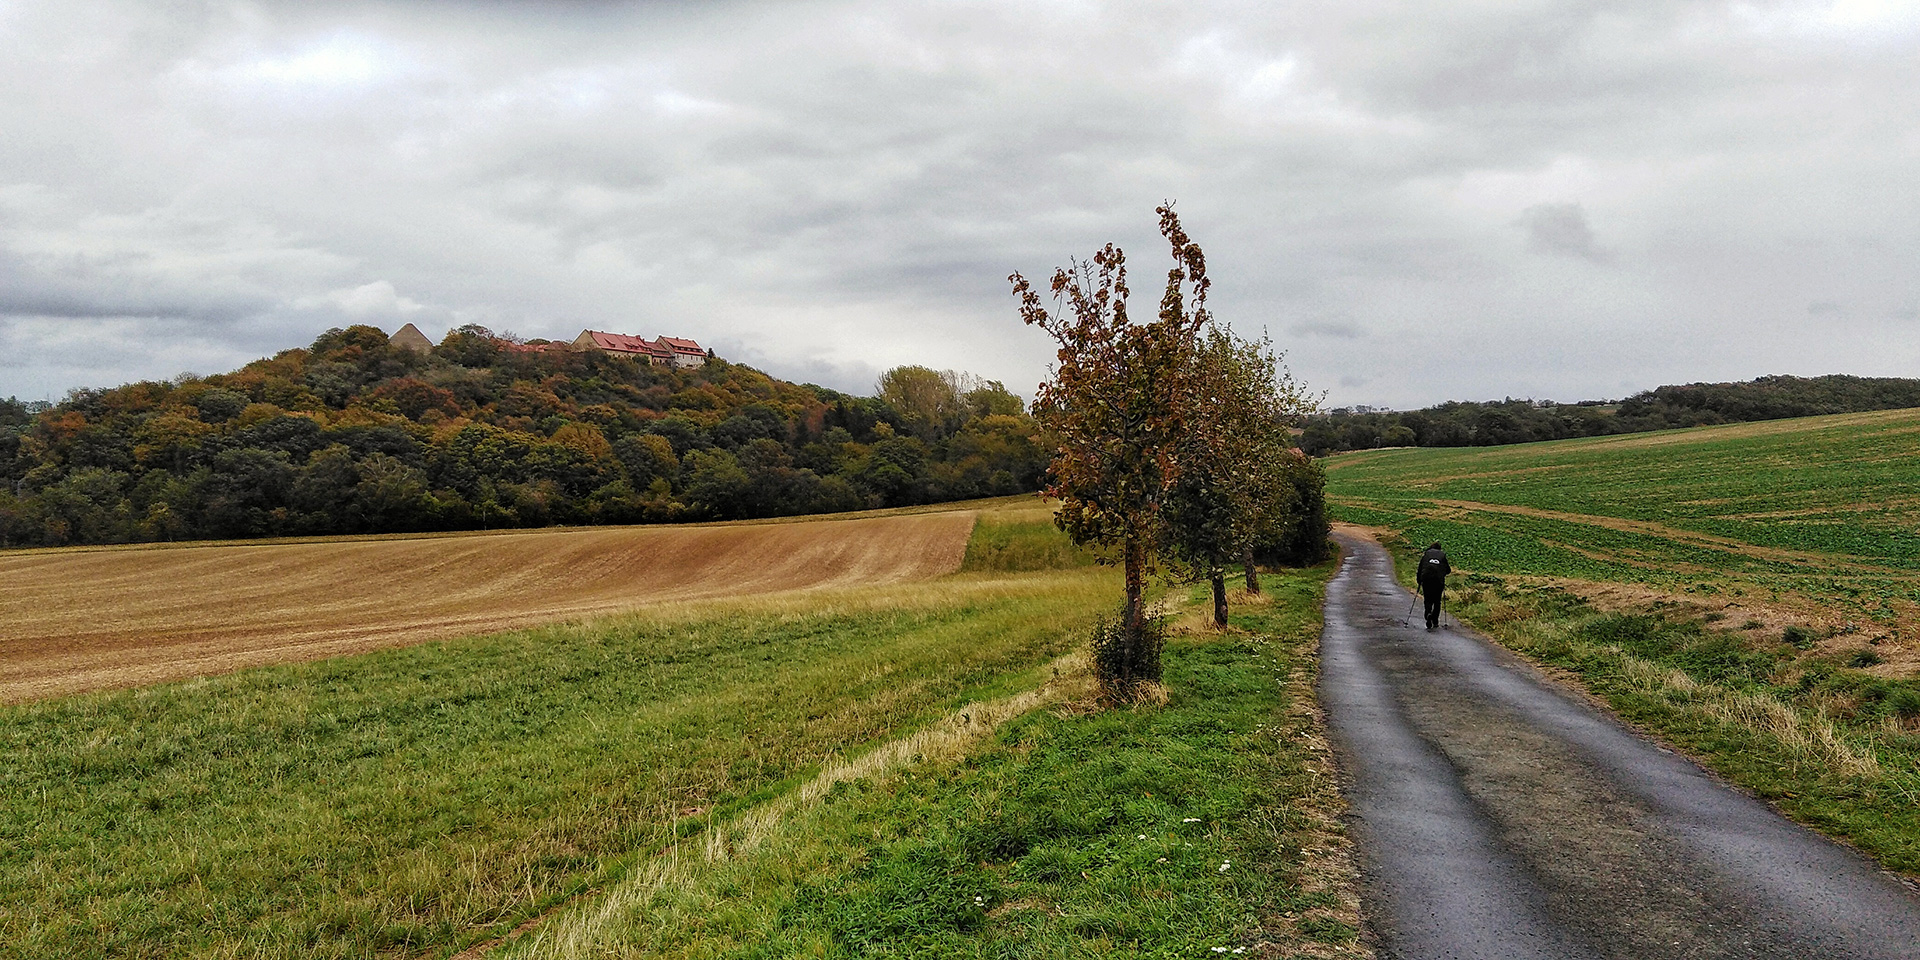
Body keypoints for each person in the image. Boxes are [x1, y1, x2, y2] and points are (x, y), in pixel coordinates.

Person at [1416, 541, 1450, 630]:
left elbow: (1420, 568)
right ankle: (1435, 620)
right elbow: (1448, 570)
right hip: (1438, 581)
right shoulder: (1442, 555)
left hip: (1426, 579)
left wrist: (1419, 581)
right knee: (1437, 601)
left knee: (1428, 599)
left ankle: (1428, 614)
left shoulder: (1426, 554)